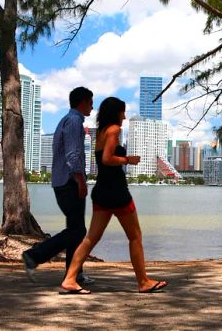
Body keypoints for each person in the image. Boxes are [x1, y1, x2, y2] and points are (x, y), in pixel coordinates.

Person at [59, 97, 168, 294]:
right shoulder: (113, 130)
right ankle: (143, 282)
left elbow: (103, 159)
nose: (125, 117)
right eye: (123, 112)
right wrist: (128, 159)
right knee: (135, 236)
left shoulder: (101, 132)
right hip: (117, 192)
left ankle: (69, 279)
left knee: (90, 238)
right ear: (115, 112)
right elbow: (108, 159)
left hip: (101, 192)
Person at [21, 86, 94, 286]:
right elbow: (73, 154)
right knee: (77, 231)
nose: (92, 106)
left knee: (75, 228)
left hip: (64, 181)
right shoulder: (74, 121)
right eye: (90, 102)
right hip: (69, 182)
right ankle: (34, 256)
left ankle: (74, 273)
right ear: (82, 102)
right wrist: (79, 179)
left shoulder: (68, 120)